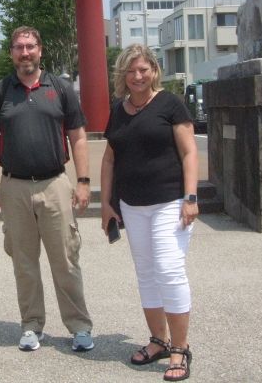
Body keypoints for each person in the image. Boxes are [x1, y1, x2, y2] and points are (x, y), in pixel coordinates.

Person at [0, 25, 94, 353]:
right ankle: (31, 325)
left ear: (40, 50)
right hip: (13, 187)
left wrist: (83, 181)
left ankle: (79, 326)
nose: (25, 52)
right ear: (11, 52)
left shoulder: (60, 88)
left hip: (55, 183)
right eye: (19, 47)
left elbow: (79, 136)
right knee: (24, 262)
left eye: (30, 46)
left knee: (66, 260)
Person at [100, 44, 198, 382]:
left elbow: (189, 153)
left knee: (169, 269)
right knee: (146, 273)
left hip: (169, 201)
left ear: (154, 71)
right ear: (123, 76)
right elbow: (110, 157)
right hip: (132, 205)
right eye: (131, 71)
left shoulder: (170, 104)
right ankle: (158, 339)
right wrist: (107, 203)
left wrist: (191, 197)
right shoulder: (118, 109)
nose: (138, 76)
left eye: (143, 69)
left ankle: (180, 348)